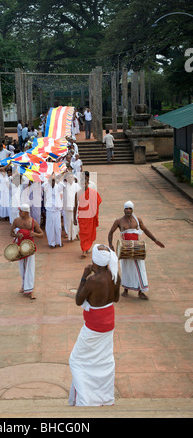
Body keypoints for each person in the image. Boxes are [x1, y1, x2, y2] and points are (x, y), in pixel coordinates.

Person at [69, 244, 120, 407]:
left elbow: (78, 301)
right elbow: (116, 299)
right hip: (108, 324)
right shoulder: (115, 276)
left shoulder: (92, 280)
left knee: (76, 360)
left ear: (94, 261)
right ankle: (103, 398)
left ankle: (85, 401)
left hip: (93, 327)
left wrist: (84, 276)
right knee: (104, 361)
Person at [108, 200, 165, 300]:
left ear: (132, 209)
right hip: (125, 248)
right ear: (124, 209)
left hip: (137, 248)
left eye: (130, 208)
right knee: (126, 269)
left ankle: (141, 292)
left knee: (140, 269)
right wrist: (110, 245)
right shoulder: (119, 221)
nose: (128, 210)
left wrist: (155, 240)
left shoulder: (137, 220)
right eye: (126, 208)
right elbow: (110, 233)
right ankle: (126, 289)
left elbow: (146, 230)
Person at [10, 203, 43, 299]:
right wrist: (17, 235)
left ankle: (30, 290)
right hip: (20, 247)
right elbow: (11, 233)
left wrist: (35, 234)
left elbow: (41, 234)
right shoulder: (16, 221)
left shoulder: (33, 222)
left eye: (21, 211)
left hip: (30, 248)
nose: (19, 212)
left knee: (30, 269)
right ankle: (24, 285)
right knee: (22, 268)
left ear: (26, 212)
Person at [74, 171, 102, 258]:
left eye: (85, 184)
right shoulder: (78, 193)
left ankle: (87, 248)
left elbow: (98, 202)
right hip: (82, 216)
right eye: (82, 184)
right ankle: (84, 250)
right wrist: (74, 218)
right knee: (82, 233)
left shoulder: (93, 192)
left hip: (90, 216)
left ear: (87, 183)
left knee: (89, 233)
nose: (84, 185)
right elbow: (75, 206)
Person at [43, 173, 64, 248]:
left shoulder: (58, 186)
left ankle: (58, 242)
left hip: (57, 209)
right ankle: (51, 243)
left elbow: (62, 185)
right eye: (51, 180)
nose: (52, 182)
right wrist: (49, 178)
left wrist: (56, 178)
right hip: (49, 210)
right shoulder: (46, 186)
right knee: (50, 226)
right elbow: (43, 185)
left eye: (53, 180)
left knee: (58, 227)